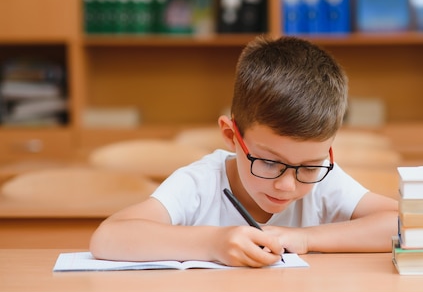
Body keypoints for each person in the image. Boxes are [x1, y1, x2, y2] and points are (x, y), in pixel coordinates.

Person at [90, 35, 399, 267]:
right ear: (231, 136)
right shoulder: (200, 184)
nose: (287, 185)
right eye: (267, 162)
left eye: (308, 167)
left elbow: (404, 222)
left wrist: (306, 238)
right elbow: (108, 237)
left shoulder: (322, 181)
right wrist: (213, 243)